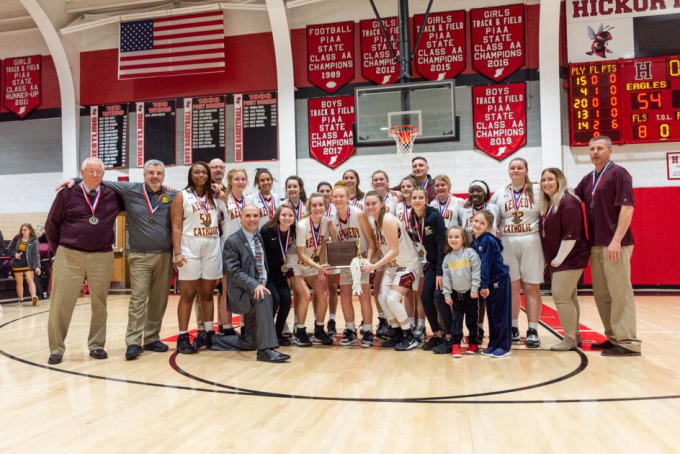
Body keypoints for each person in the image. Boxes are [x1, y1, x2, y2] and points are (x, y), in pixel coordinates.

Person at [57, 159, 177, 360]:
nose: (155, 176)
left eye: (159, 173)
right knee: (138, 299)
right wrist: (75, 179)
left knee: (159, 300)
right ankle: (133, 342)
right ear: (144, 175)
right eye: (151, 173)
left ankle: (151, 338)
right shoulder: (131, 189)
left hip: (164, 253)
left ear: (163, 176)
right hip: (139, 255)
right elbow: (100, 180)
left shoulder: (172, 195)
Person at [44, 157, 123, 365]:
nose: (95, 175)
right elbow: (51, 224)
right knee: (61, 303)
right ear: (82, 172)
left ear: (104, 176)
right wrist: (58, 250)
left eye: (99, 172)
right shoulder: (68, 193)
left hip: (102, 256)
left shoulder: (112, 195)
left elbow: (137, 192)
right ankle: (57, 348)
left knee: (100, 304)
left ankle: (97, 345)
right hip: (70, 254)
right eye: (90, 171)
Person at [574, 135, 641, 357]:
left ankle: (629, 342)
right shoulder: (588, 179)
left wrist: (616, 240)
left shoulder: (620, 174)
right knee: (602, 294)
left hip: (615, 244)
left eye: (600, 148)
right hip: (596, 243)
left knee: (620, 293)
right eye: (592, 148)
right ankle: (613, 337)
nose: (595, 152)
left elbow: (627, 209)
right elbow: (571, 200)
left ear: (610, 151)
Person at [219, 205, 291, 363]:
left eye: (255, 216)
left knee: (249, 343)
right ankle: (266, 350)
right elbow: (234, 272)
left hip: (256, 290)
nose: (252, 219)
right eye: (248, 216)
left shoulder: (258, 236)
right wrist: (255, 285)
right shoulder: (232, 241)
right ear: (241, 218)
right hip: (242, 293)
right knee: (264, 296)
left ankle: (213, 341)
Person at [490, 158, 545, 348]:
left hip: (532, 240)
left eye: (520, 167)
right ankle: (513, 326)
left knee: (531, 287)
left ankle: (532, 329)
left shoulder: (539, 190)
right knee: (511, 287)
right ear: (508, 171)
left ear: (526, 170)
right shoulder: (499, 194)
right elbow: (490, 217)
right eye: (512, 168)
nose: (516, 170)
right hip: (507, 242)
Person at [171, 162, 223, 354]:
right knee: (188, 294)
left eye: (204, 172)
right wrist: (177, 252)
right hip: (189, 246)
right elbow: (176, 226)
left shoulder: (215, 196)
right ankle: (183, 335)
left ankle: (208, 333)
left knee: (208, 294)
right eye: (197, 172)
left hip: (211, 245)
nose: (201, 175)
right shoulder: (181, 196)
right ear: (191, 175)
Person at [539, 168, 590, 351]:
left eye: (550, 179)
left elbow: (571, 234)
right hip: (563, 258)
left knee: (560, 296)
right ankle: (575, 336)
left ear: (560, 180)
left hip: (571, 258)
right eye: (543, 179)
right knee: (569, 296)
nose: (546, 183)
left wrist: (558, 259)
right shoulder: (549, 202)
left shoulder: (567, 201)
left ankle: (568, 338)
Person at [361, 191, 419, 351]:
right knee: (382, 298)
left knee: (392, 299)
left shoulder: (387, 219)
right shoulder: (374, 221)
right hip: (392, 267)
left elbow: (394, 250)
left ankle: (410, 335)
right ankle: (397, 333)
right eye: (368, 204)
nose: (370, 206)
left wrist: (373, 266)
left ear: (382, 204)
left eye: (374, 203)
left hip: (407, 264)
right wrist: (369, 259)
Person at [329, 181, 376, 347]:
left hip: (362, 261)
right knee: (346, 296)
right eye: (335, 196)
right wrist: (334, 262)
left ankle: (369, 331)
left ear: (348, 197)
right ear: (331, 199)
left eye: (341, 196)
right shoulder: (331, 220)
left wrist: (369, 261)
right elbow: (335, 246)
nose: (338, 199)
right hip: (346, 263)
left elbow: (371, 241)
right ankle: (350, 330)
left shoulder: (359, 214)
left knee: (364, 296)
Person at [290, 193, 334, 346]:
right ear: (310, 207)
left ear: (325, 206)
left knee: (323, 293)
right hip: (295, 263)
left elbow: (322, 247)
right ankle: (300, 331)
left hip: (313, 264)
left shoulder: (326, 221)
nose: (317, 208)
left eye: (320, 205)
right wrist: (319, 267)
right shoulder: (302, 225)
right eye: (314, 205)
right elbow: (301, 255)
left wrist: (321, 270)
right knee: (304, 294)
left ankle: (319, 330)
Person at [409, 188, 447, 350]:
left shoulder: (434, 216)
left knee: (439, 298)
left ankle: (449, 336)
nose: (417, 200)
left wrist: (440, 272)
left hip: (444, 263)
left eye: (420, 198)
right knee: (425, 298)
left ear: (426, 200)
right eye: (414, 198)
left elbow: (441, 245)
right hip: (430, 262)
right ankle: (437, 335)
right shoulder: (413, 217)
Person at [472, 211, 512, 358]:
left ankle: (504, 346)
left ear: (488, 226)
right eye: (476, 221)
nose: (477, 224)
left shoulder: (487, 240)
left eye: (482, 223)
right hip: (489, 281)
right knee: (492, 314)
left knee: (500, 314)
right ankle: (494, 343)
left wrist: (483, 285)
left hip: (498, 280)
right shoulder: (476, 239)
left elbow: (485, 264)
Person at [217, 167, 249, 335]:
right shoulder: (222, 200)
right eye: (237, 179)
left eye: (243, 179)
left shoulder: (249, 201)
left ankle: (244, 325)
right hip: (228, 250)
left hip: (246, 249)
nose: (240, 182)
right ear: (230, 181)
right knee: (227, 289)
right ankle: (227, 327)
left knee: (244, 288)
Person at [441, 225, 481, 357]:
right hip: (456, 295)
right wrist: (447, 294)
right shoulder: (447, 258)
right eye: (450, 237)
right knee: (456, 321)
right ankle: (456, 345)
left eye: (456, 237)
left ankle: (473, 342)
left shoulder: (470, 253)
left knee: (472, 320)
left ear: (463, 239)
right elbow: (446, 279)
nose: (453, 239)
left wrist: (475, 288)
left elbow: (476, 272)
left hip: (470, 293)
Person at [260, 205, 296, 346]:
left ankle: (278, 333)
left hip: (281, 273)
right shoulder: (267, 231)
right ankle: (267, 333)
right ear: (278, 216)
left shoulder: (292, 230)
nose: (287, 218)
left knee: (286, 301)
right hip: (268, 273)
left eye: (290, 215)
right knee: (274, 299)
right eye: (284, 215)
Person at [395, 176, 426, 339]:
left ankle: (421, 325)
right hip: (404, 253)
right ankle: (410, 323)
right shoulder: (397, 206)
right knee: (407, 292)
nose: (406, 189)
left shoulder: (422, 208)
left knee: (419, 292)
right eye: (403, 186)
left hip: (421, 252)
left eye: (409, 186)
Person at [370, 170, 397, 339]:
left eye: (382, 179)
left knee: (397, 290)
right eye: (376, 179)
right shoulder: (369, 200)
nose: (379, 181)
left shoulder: (395, 199)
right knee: (379, 288)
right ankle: (383, 320)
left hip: (394, 247)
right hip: (380, 247)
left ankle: (401, 322)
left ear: (387, 182)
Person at [317, 181, 339, 337]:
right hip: (316, 253)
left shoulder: (336, 209)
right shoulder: (313, 208)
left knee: (332, 288)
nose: (324, 193)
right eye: (321, 190)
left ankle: (332, 319)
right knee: (319, 290)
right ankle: (318, 322)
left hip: (332, 252)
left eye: (327, 191)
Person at [8, 223, 41, 305]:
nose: (23, 231)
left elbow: (36, 254)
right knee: (19, 282)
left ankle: (34, 296)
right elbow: (9, 248)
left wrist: (37, 267)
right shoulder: (17, 238)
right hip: (17, 262)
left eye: (25, 230)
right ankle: (20, 299)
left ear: (30, 230)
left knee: (30, 279)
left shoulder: (34, 240)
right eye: (22, 230)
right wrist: (15, 253)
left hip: (29, 262)